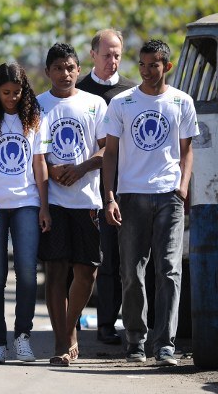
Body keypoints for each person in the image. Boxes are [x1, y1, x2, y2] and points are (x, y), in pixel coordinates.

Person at [102, 39, 198, 367]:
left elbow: (187, 150)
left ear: (166, 67)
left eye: (153, 65)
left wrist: (182, 189)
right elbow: (110, 153)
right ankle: (135, 339)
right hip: (130, 196)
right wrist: (110, 196)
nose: (145, 71)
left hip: (169, 195)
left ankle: (165, 344)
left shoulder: (182, 102)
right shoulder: (122, 103)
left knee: (169, 271)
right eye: (142, 64)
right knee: (131, 271)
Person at [0, 63, 50, 364]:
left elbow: (39, 163)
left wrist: (44, 206)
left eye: (17, 92)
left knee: (28, 274)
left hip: (27, 203)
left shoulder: (33, 116)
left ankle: (22, 337)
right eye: (6, 92)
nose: (11, 98)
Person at [37, 43, 107, 367]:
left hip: (87, 200)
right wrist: (50, 170)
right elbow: (31, 154)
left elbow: (108, 150)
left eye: (70, 67)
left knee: (87, 271)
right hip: (53, 201)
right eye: (58, 68)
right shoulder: (37, 106)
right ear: (48, 71)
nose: (65, 73)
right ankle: (62, 340)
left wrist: (82, 168)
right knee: (55, 271)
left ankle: (70, 326)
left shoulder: (95, 104)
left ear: (79, 69)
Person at [76, 29, 136, 345]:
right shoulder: (75, 89)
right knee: (78, 259)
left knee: (112, 259)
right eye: (106, 54)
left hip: (117, 189)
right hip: (77, 190)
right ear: (92, 55)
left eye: (117, 55)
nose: (112, 61)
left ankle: (107, 324)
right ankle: (69, 320)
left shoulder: (131, 93)